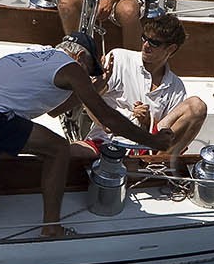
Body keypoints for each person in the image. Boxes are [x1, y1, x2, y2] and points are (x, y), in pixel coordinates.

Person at [0, 32, 173, 243]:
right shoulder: (71, 67)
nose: (86, 77)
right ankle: (51, 228)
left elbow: (55, 110)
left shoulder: (30, 56)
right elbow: (110, 119)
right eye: (89, 71)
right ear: (81, 59)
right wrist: (155, 142)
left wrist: (93, 89)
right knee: (58, 149)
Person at [73, 14, 206, 161]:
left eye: (154, 42)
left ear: (171, 48)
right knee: (66, 152)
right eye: (144, 38)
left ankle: (158, 166)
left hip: (146, 151)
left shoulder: (176, 86)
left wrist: (148, 121)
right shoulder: (119, 59)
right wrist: (98, 84)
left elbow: (169, 134)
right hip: (105, 143)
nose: (146, 45)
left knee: (196, 106)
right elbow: (88, 99)